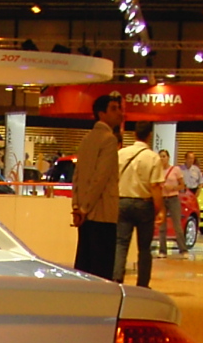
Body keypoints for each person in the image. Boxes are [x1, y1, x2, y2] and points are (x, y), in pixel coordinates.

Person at [71, 92, 122, 278]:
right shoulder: (109, 139)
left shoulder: (86, 139)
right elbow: (101, 178)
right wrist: (85, 208)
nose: (119, 113)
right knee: (102, 267)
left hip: (85, 214)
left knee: (85, 264)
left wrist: (77, 207)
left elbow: (77, 176)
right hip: (102, 212)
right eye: (113, 109)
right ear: (101, 114)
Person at [114, 122, 165, 287]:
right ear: (150, 135)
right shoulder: (153, 158)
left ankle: (116, 280)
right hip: (144, 205)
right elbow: (155, 186)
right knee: (144, 248)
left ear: (134, 134)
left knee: (121, 243)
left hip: (122, 202)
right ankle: (142, 284)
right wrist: (160, 209)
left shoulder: (121, 154)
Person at [157, 149, 189, 257]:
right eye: (160, 156)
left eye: (164, 156)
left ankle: (183, 250)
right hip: (162, 198)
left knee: (177, 225)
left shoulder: (175, 170)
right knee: (162, 226)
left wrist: (173, 187)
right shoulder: (157, 171)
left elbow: (182, 185)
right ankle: (162, 250)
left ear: (168, 157)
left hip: (173, 198)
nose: (162, 158)